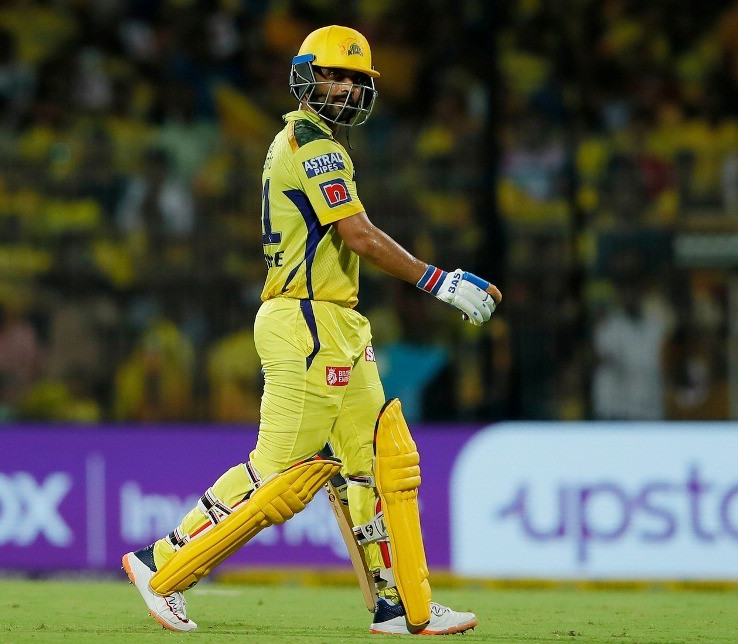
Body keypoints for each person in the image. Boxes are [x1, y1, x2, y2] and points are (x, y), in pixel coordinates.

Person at [122, 25, 501, 635]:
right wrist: (439, 281)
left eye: (355, 79)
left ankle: (396, 604)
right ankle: (160, 561)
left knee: (375, 461)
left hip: (338, 320)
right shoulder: (312, 145)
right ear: (305, 77)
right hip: (305, 320)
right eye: (334, 75)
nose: (345, 88)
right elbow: (358, 235)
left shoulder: (312, 143)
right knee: (278, 474)